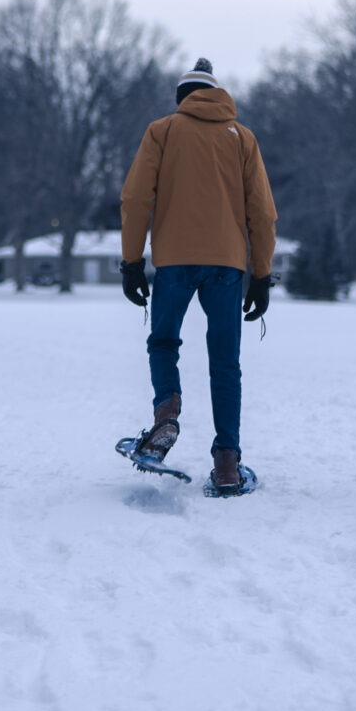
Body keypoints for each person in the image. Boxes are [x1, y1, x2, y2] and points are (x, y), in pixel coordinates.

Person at [119, 58, 277, 494]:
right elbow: (262, 213)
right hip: (227, 265)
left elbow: (135, 199)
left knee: (164, 341)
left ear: (181, 98)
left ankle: (165, 417)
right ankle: (227, 463)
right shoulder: (241, 138)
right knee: (225, 361)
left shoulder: (163, 131)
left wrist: (132, 261)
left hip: (173, 261)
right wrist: (261, 274)